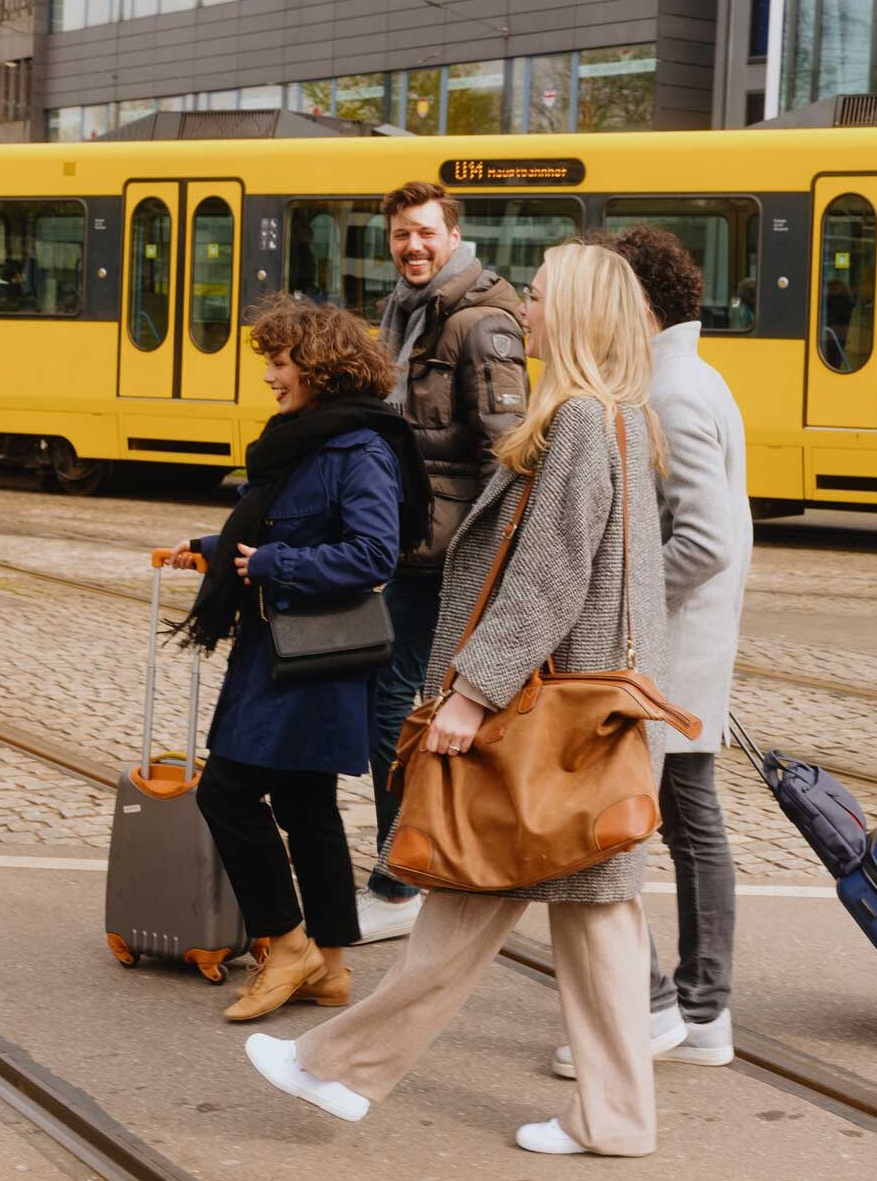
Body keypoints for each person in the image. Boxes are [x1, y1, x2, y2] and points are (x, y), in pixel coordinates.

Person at [244, 243, 671, 1158]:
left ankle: (338, 1068)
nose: (529, 311)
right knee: (591, 923)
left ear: (584, 312)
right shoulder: (623, 416)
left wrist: (472, 694)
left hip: (543, 719)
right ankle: (616, 1117)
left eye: (545, 296)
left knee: (467, 896)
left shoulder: (586, 422)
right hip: (587, 721)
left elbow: (549, 576)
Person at [166, 295, 432, 1021]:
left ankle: (286, 944)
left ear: (315, 365)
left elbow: (374, 552)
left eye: (279, 362)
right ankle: (332, 966)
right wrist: (214, 552)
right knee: (305, 802)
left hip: (312, 655)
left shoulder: (358, 447)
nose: (270, 377)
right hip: (281, 645)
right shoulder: (303, 436)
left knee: (227, 793)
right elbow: (275, 525)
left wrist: (276, 564)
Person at [551, 225, 749, 1077]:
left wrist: (627, 598)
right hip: (684, 650)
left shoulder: (668, 392)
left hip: (664, 653)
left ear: (633, 303)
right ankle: (697, 1009)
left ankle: (664, 1007)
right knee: (688, 825)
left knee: (617, 829)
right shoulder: (692, 379)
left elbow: (707, 538)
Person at [359, 180, 529, 944]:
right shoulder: (408, 311)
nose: (413, 246)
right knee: (398, 700)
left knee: (394, 702)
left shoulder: (481, 323)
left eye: (425, 232)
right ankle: (418, 864)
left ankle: (402, 876)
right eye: (401, 235)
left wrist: (491, 567)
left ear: (452, 235)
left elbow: (510, 451)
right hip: (409, 541)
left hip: (445, 553)